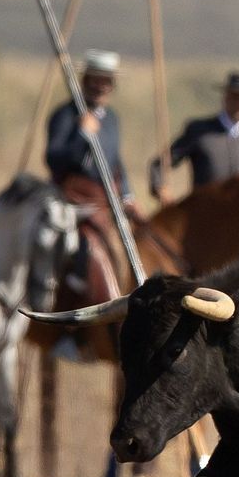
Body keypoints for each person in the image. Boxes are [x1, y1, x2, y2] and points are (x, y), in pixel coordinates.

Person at [46, 50, 143, 299]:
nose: (101, 86)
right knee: (81, 247)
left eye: (106, 81)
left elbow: (115, 162)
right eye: (96, 80)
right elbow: (53, 159)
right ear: (85, 80)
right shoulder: (65, 115)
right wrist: (82, 135)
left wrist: (127, 195)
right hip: (72, 199)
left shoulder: (112, 119)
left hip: (104, 201)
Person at [149, 71, 239, 205]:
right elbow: (160, 164)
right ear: (226, 97)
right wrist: (161, 190)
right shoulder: (200, 131)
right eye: (236, 96)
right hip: (203, 213)